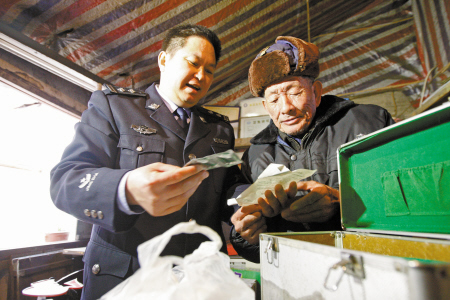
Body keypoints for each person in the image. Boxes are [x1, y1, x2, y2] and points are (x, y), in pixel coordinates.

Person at [50, 24, 242, 299]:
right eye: (193, 63)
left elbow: (227, 188)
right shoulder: (115, 107)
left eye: (209, 70)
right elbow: (65, 181)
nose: (201, 75)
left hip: (197, 283)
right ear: (164, 60)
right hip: (126, 280)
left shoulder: (219, 129)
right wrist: (126, 189)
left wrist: (247, 200)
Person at [230, 36, 395, 263]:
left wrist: (343, 205)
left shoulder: (369, 122)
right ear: (265, 107)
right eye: (274, 99)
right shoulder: (256, 155)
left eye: (294, 92)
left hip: (368, 267)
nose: (286, 107)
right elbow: (257, 251)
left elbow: (409, 200)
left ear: (316, 92)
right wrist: (247, 237)